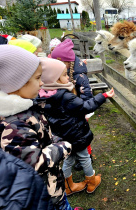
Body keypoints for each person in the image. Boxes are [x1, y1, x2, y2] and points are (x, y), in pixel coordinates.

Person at [0, 45, 73, 209]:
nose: (41, 82)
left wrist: (54, 140)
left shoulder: (24, 109)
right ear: (16, 83)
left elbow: (41, 137)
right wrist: (63, 146)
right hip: (43, 195)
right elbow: (34, 163)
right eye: (37, 78)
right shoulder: (14, 124)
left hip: (52, 185)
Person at [37, 58, 115, 196]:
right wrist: (103, 96)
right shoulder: (65, 96)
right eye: (65, 75)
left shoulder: (43, 96)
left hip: (62, 135)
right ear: (55, 79)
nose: (68, 77)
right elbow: (86, 106)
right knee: (84, 157)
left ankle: (68, 186)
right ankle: (91, 182)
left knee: (69, 159)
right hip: (76, 134)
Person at [51, 38, 95, 171]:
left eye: (58, 62)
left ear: (66, 62)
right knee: (74, 133)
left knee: (82, 134)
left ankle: (87, 156)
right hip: (72, 109)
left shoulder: (79, 76)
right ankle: (78, 154)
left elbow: (87, 94)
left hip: (81, 109)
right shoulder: (65, 72)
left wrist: (85, 111)